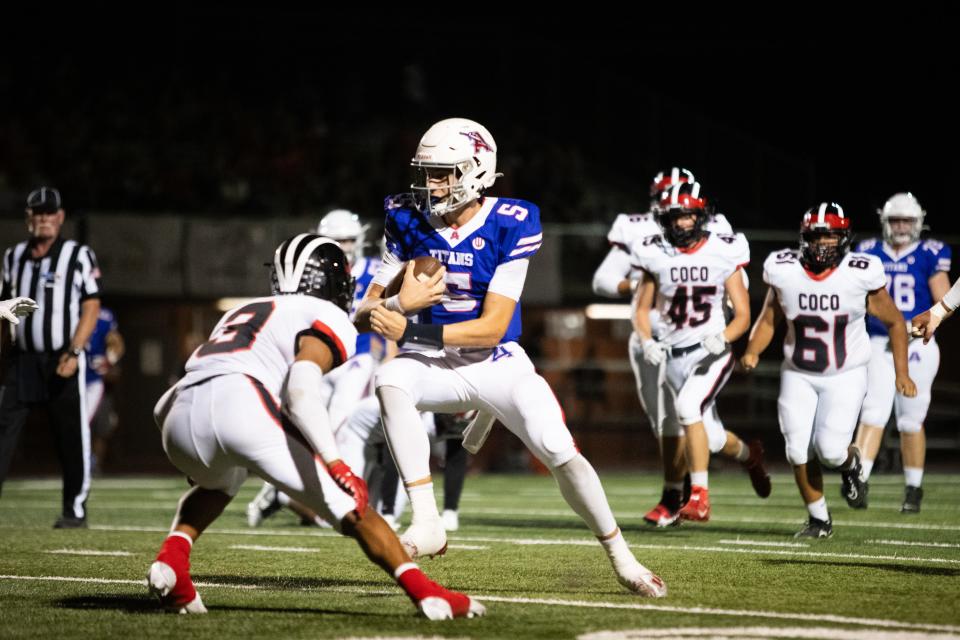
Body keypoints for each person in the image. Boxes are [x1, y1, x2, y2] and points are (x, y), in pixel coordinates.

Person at [355, 117, 666, 597]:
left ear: (478, 170)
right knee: (390, 379)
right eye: (427, 172)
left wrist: (410, 325)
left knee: (558, 447)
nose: (431, 184)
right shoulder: (405, 216)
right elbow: (363, 312)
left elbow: (493, 325)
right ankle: (427, 521)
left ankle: (621, 556)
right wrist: (398, 305)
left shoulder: (511, 220)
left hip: (494, 360)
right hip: (430, 365)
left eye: (444, 172)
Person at [148, 234, 484, 619]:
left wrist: (395, 304)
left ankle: (172, 560)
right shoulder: (325, 316)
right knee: (353, 508)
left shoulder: (243, 310)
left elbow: (355, 319)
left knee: (222, 480)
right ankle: (428, 594)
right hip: (240, 405)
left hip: (175, 413)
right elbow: (301, 386)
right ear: (333, 282)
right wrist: (335, 463)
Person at [594, 168, 769, 526]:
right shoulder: (650, 249)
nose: (682, 221)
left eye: (688, 213)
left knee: (691, 414)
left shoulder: (723, 244)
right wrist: (646, 337)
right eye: (673, 212)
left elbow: (742, 302)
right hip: (666, 346)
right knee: (688, 430)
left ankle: (694, 496)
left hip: (708, 345)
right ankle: (727, 468)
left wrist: (726, 334)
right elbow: (631, 302)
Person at [741, 203, 917, 538]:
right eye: (817, 237)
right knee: (796, 449)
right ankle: (819, 520)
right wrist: (752, 350)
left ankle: (852, 465)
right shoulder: (784, 270)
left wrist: (902, 373)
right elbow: (769, 319)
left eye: (831, 237)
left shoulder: (859, 272)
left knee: (832, 450)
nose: (823, 244)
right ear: (804, 238)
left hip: (846, 373)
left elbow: (895, 322)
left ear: (844, 238)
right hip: (798, 372)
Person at [0, 187, 101, 528]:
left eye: (49, 213)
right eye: (37, 213)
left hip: (63, 357)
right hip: (22, 359)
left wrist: (75, 350)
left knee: (71, 435)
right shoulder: (13, 258)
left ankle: (74, 509)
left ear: (60, 217)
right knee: (3, 430)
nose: (43, 218)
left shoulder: (77, 255)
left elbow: (91, 305)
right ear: (28, 218)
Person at [853, 193, 951, 513]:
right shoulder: (867, 252)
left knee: (911, 419)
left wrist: (920, 325)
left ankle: (913, 487)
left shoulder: (931, 253)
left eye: (906, 221)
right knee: (872, 412)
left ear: (918, 222)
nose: (900, 227)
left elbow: (944, 300)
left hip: (916, 345)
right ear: (885, 221)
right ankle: (859, 480)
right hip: (877, 344)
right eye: (895, 220)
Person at [85, 307, 125, 474]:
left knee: (101, 429)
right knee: (79, 426)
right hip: (76, 382)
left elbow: (116, 344)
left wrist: (110, 361)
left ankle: (95, 464)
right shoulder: (69, 309)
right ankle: (82, 461)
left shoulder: (105, 316)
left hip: (99, 387)